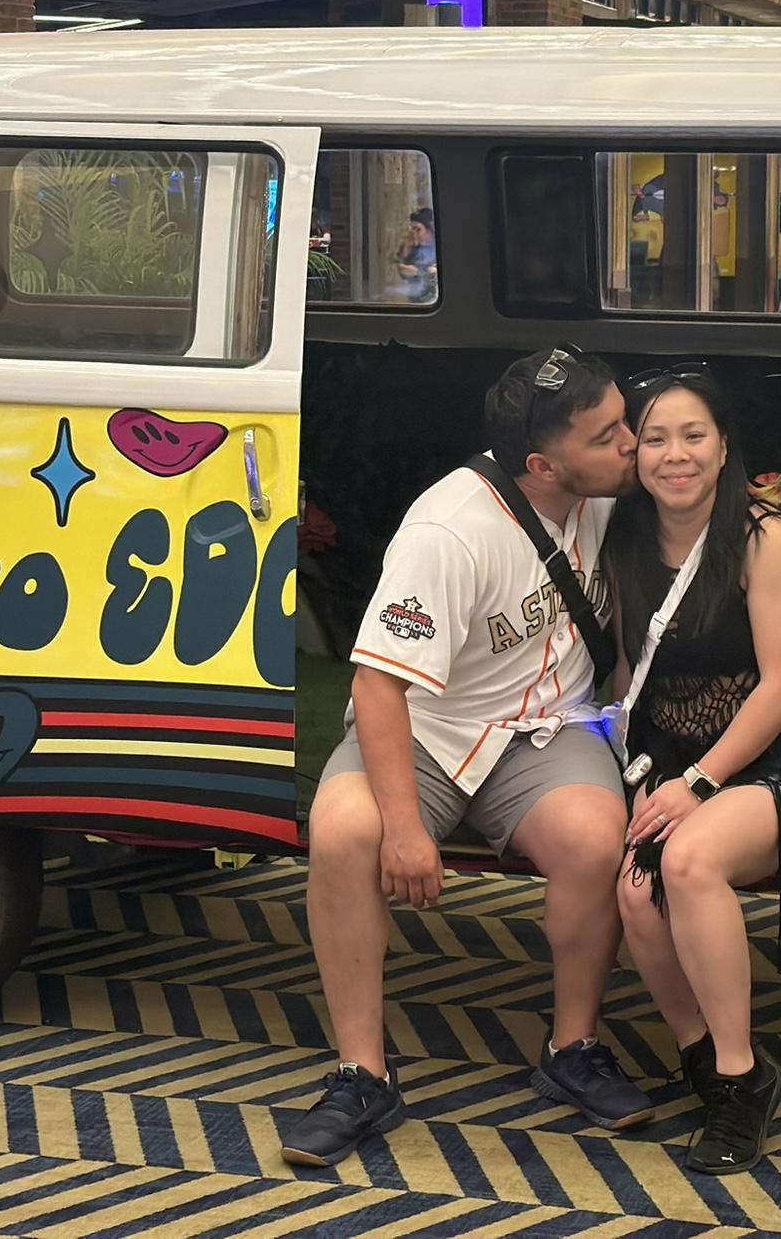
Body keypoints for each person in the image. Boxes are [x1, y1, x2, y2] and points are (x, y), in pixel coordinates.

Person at [281, 346, 647, 1167]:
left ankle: (572, 1049)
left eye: (624, 421)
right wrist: (406, 830)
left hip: (548, 729)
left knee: (595, 839)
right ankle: (362, 1075)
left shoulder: (610, 490)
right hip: (430, 732)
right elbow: (377, 686)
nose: (631, 443)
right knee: (344, 831)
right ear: (542, 466)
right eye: (608, 436)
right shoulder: (447, 530)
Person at [607, 369, 781, 1175]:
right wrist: (640, 774)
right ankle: (705, 1064)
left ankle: (745, 1079)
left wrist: (697, 785)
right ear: (634, 453)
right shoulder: (623, 538)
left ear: (723, 449)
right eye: (654, 438)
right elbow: (627, 678)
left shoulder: (764, 539)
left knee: (685, 861)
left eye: (693, 436)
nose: (674, 455)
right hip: (678, 759)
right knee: (635, 891)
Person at [394, 207, 437, 304]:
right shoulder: (411, 245)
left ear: (429, 228)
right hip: (415, 300)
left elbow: (435, 273)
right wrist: (406, 247)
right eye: (412, 229)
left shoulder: (437, 247)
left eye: (418, 229)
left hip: (432, 300)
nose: (415, 233)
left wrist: (418, 271)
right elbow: (402, 268)